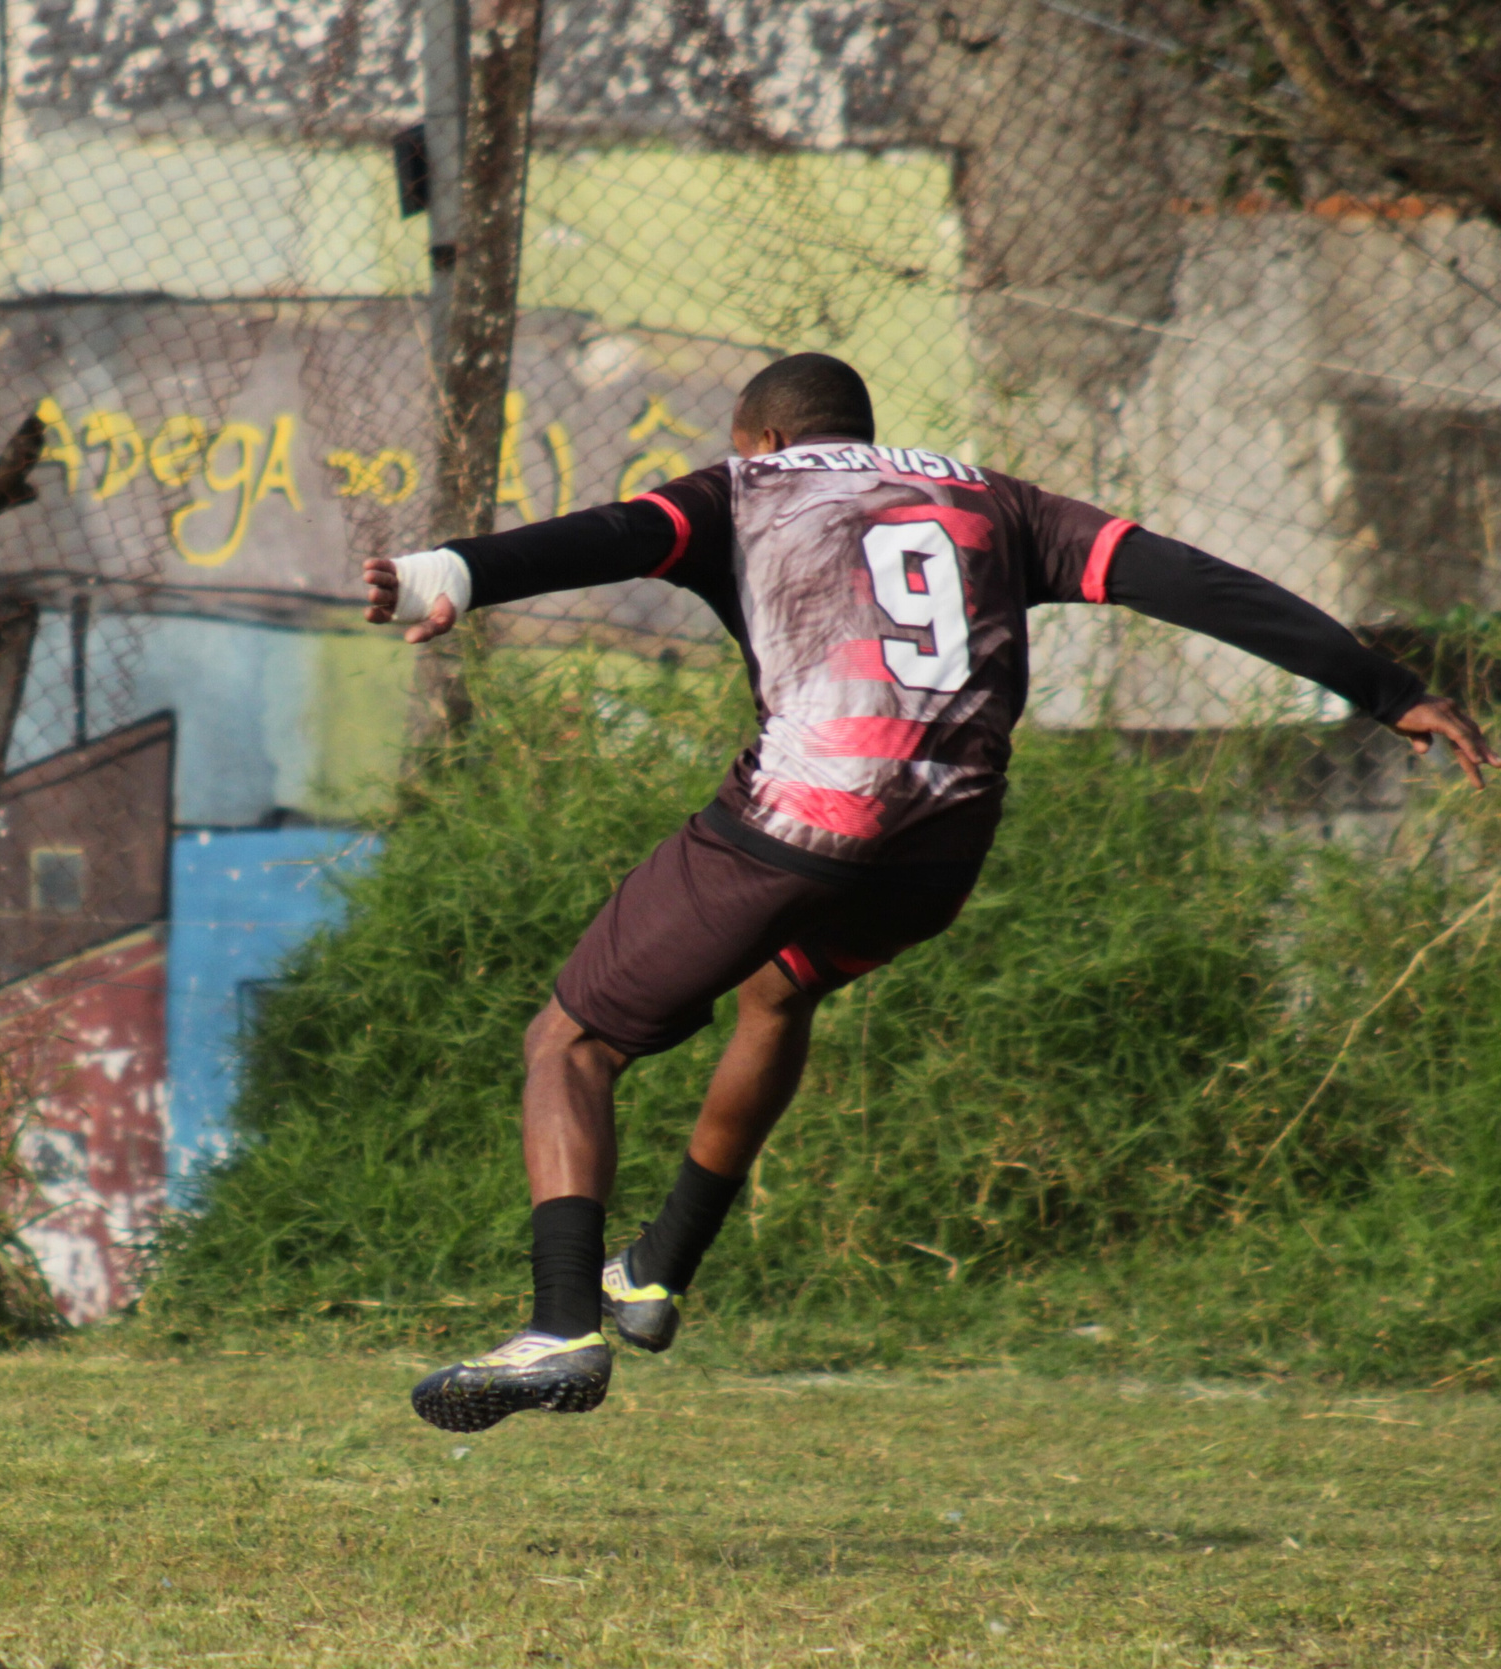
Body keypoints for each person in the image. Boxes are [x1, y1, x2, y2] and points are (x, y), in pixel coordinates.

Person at [362, 352, 1495, 1434]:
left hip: (809, 810)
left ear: (761, 434)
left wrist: (446, 572)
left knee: (568, 1039)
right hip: (945, 841)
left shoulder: (743, 485)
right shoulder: (1002, 502)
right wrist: (1385, 687)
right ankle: (658, 1266)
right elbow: (1188, 579)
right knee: (777, 990)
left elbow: (611, 535)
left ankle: (561, 1323)